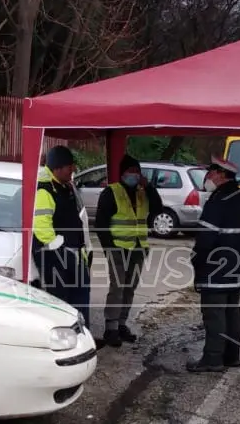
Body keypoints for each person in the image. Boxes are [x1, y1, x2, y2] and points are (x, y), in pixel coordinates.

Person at [187, 156, 240, 372]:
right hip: (235, 266)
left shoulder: (219, 199)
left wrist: (197, 260)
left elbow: (206, 238)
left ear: (222, 175)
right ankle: (232, 356)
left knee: (214, 314)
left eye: (212, 172)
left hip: (215, 266)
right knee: (232, 311)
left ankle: (213, 358)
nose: (209, 176)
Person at [95, 154, 163, 348]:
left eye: (136, 171)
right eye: (130, 171)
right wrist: (110, 248)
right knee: (117, 288)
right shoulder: (111, 192)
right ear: (122, 173)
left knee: (129, 287)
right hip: (118, 248)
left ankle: (122, 324)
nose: (134, 175)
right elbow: (101, 224)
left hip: (138, 248)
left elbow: (157, 209)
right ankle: (111, 328)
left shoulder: (143, 192)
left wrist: (149, 186)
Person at [32, 145, 95, 334]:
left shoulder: (64, 187)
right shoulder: (45, 191)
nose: (73, 170)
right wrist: (62, 252)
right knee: (62, 305)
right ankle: (68, 342)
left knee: (80, 301)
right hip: (57, 260)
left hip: (74, 256)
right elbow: (42, 227)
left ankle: (83, 337)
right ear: (58, 167)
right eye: (70, 166)